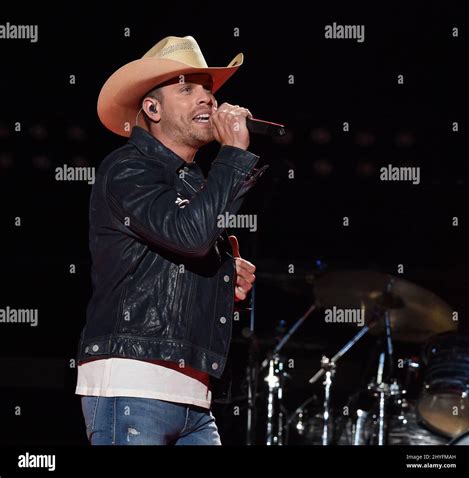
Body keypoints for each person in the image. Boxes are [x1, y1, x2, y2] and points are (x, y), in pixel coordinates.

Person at [75, 35, 268, 445]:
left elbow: (181, 254)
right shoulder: (128, 168)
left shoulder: (196, 181)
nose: (208, 100)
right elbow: (191, 236)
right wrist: (233, 154)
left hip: (194, 395)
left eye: (208, 91)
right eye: (187, 89)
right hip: (134, 384)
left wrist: (225, 279)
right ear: (152, 107)